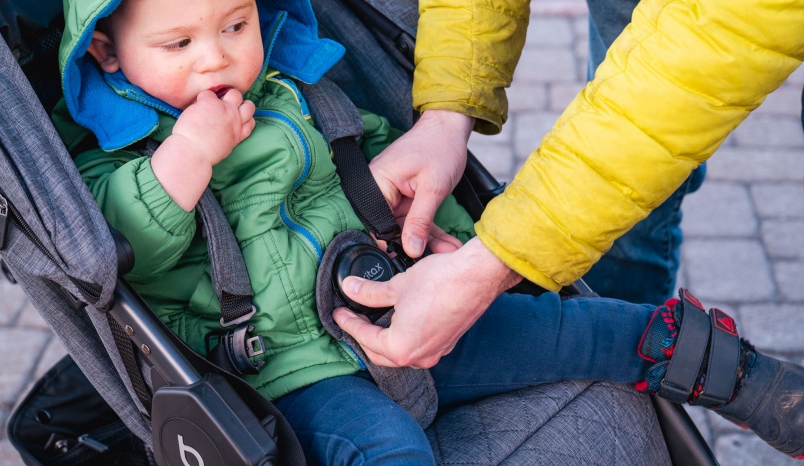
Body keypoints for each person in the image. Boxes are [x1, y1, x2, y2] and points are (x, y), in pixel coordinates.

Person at [52, 0, 804, 462]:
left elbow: (389, 166)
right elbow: (124, 249)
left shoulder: (295, 92)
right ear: (107, 51)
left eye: (236, 24)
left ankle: (747, 380)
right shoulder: (118, 155)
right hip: (290, 371)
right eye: (178, 44)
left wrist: (446, 240)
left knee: (582, 327)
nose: (217, 55)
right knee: (391, 449)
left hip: (402, 303)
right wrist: (186, 157)